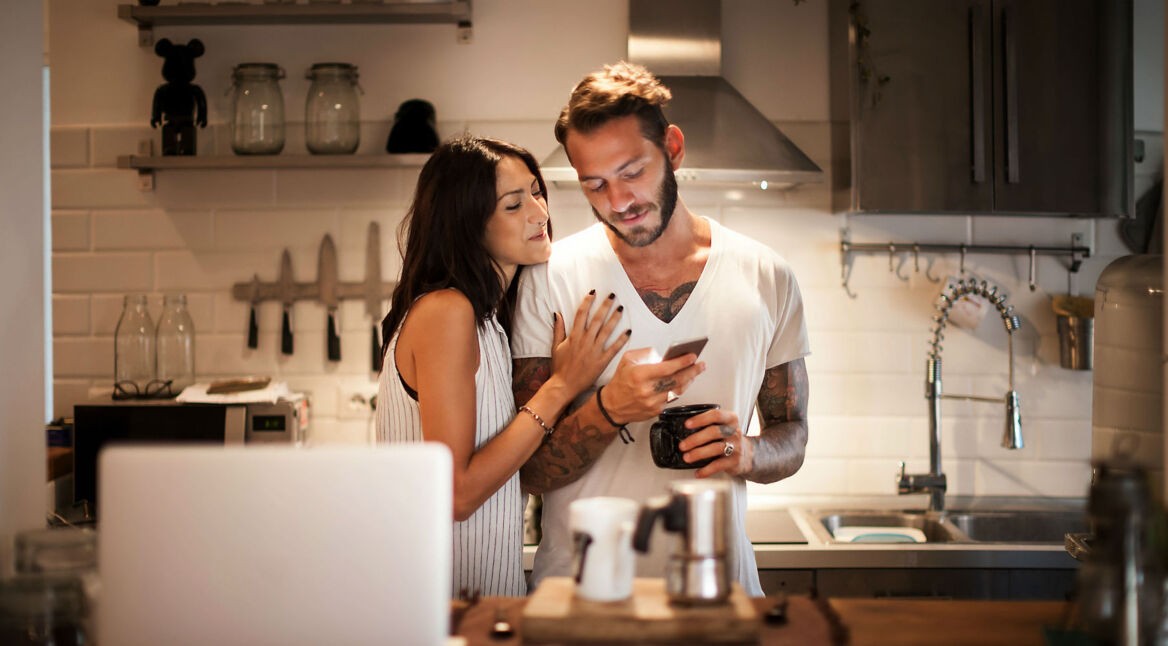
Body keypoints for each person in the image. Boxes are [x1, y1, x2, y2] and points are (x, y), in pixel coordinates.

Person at [511, 62, 811, 596]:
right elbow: (528, 472)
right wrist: (610, 410)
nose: (619, 202)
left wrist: (748, 452)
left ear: (672, 148)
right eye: (595, 185)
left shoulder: (766, 276)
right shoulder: (549, 277)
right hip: (582, 602)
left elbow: (793, 432)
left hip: (719, 594)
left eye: (632, 172)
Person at [376, 135, 629, 597]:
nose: (540, 212)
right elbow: (457, 493)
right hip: (434, 609)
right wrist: (562, 386)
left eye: (536, 191)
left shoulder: (486, 321)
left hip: (475, 602)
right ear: (467, 225)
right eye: (514, 205)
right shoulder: (446, 312)